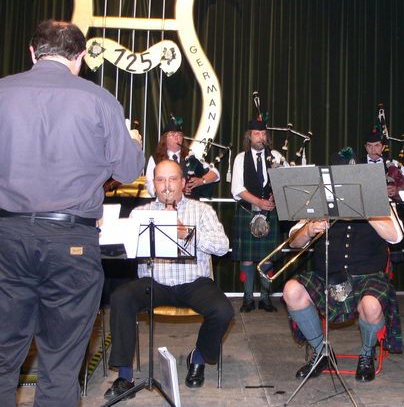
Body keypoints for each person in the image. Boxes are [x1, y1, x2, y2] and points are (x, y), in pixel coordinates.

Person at [0, 20, 144, 407]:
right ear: (80, 57)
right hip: (71, 243)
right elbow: (130, 172)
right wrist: (133, 141)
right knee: (61, 364)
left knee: (1, 358)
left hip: (7, 239)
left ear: (32, 52)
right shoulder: (99, 100)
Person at [104, 160, 233, 399]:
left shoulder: (202, 211)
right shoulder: (139, 213)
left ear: (183, 183)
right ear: (154, 184)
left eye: (172, 179)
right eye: (161, 180)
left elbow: (223, 247)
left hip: (194, 282)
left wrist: (188, 234)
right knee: (120, 297)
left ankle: (199, 357)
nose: (166, 186)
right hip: (153, 282)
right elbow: (123, 249)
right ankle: (124, 375)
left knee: (223, 311)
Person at [282, 151, 404, 382]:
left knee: (370, 304)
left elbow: (395, 237)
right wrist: (307, 231)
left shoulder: (380, 203)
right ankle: (321, 353)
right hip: (327, 276)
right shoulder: (318, 201)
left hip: (368, 277)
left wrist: (367, 212)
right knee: (291, 289)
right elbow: (295, 243)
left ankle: (366, 354)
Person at [231, 119, 287, 312]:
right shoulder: (240, 158)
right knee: (247, 258)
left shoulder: (276, 156)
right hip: (248, 211)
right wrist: (259, 201)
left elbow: (287, 180)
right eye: (256, 134)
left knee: (268, 257)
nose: (260, 137)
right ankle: (247, 299)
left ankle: (265, 298)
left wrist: (275, 196)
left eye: (263, 134)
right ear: (249, 136)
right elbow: (237, 189)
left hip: (270, 213)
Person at [144, 117, 220, 199]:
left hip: (190, 206)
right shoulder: (156, 159)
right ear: (165, 139)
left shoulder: (190, 157)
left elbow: (215, 173)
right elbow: (151, 187)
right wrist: (177, 191)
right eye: (172, 135)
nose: (177, 138)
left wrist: (201, 181)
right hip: (165, 206)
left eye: (179, 135)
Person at [357, 128, 404, 199]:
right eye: (369, 146)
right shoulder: (357, 163)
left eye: (377, 145)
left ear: (383, 147)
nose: (373, 150)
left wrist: (398, 190)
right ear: (365, 147)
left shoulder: (393, 163)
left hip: (388, 206)